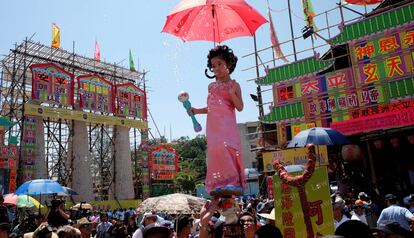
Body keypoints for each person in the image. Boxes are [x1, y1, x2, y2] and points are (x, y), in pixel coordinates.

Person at [192, 45, 246, 196]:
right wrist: (196, 110)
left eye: (219, 64)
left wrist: (232, 94)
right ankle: (219, 183)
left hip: (227, 125)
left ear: (228, 65)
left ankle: (233, 182)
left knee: (227, 149)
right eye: (213, 65)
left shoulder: (235, 85)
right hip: (213, 127)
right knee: (216, 152)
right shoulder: (211, 86)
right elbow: (211, 107)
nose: (216, 68)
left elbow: (240, 107)